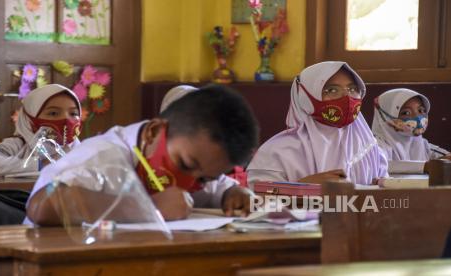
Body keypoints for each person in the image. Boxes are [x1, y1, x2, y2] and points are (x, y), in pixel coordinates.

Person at [26, 84, 259, 225]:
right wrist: (149, 207)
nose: (189, 183)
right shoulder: (101, 155)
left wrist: (236, 193)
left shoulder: (199, 163)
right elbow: (42, 207)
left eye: (204, 179)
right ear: (154, 131)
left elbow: (221, 187)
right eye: (185, 164)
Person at [247, 61, 388, 186]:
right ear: (306, 97)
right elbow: (257, 199)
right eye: (332, 90)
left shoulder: (370, 148)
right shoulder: (276, 153)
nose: (347, 97)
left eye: (352, 89)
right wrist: (303, 187)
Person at [0, 84, 82, 175]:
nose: (66, 120)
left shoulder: (80, 149)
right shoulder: (19, 144)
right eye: (53, 113)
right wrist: (41, 164)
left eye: (73, 114)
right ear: (29, 118)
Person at [372, 88, 450, 173]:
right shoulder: (374, 145)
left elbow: (445, 158)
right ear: (385, 116)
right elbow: (378, 166)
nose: (418, 118)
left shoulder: (424, 146)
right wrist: (425, 166)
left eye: (421, 110)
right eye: (406, 113)